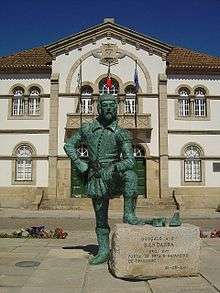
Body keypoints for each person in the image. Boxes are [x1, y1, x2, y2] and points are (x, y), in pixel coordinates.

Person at [64, 94, 165, 265]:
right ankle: (103, 250)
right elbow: (69, 145)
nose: (109, 108)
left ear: (116, 108)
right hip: (96, 177)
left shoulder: (121, 133)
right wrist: (78, 162)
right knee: (101, 217)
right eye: (106, 105)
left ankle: (129, 215)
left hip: (113, 176)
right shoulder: (87, 129)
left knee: (131, 175)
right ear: (99, 108)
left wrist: (114, 167)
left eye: (112, 105)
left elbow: (130, 160)